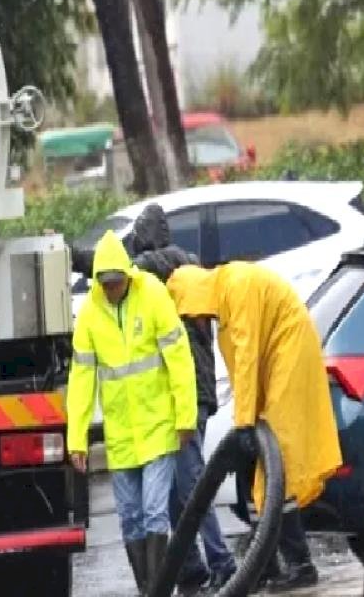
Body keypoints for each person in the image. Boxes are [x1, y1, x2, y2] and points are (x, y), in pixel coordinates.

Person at [166, 262, 342, 592]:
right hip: (274, 361)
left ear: (194, 298)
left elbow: (247, 357)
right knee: (252, 467)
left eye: (190, 315)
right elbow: (241, 367)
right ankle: (265, 566)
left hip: (289, 354)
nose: (195, 322)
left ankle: (300, 564)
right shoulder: (224, 307)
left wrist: (245, 423)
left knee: (278, 462)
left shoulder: (237, 287)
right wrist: (243, 422)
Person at [67, 230, 198, 595]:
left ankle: (158, 592)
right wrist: (76, 438)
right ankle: (148, 589)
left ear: (127, 275)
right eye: (106, 284)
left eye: (116, 282)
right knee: (130, 520)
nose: (112, 289)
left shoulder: (152, 295)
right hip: (122, 436)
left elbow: (179, 358)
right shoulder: (91, 314)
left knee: (155, 512)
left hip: (158, 426)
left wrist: (185, 416)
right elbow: (81, 378)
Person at [128, 205, 237, 594]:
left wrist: (82, 257)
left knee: (191, 486)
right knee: (178, 488)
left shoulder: (172, 262)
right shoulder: (180, 265)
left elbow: (136, 265)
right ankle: (191, 569)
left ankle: (222, 562)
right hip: (187, 392)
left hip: (190, 394)